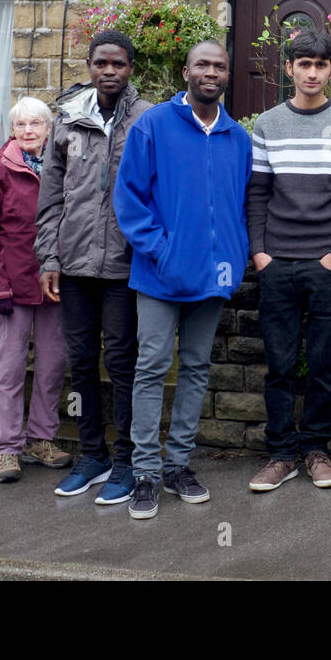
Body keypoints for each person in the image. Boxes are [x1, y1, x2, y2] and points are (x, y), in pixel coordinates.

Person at [113, 42, 251, 518]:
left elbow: (238, 204)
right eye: (203, 65)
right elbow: (128, 199)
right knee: (151, 367)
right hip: (158, 275)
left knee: (195, 368)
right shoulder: (153, 125)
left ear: (227, 74)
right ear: (187, 71)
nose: (211, 72)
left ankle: (178, 466)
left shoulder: (238, 136)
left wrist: (235, 255)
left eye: (219, 66)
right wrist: (163, 251)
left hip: (213, 276)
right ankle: (146, 472)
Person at [246, 29, 331, 493]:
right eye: (304, 64)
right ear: (289, 68)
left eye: (321, 64)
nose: (312, 72)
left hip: (326, 266)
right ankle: (280, 454)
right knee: (278, 363)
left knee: (320, 363)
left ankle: (317, 449)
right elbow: (257, 193)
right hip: (276, 262)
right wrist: (260, 253)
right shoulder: (268, 124)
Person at [35, 30, 151, 505]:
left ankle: (124, 459)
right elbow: (49, 198)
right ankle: (92, 454)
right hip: (76, 264)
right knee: (81, 363)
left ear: (129, 69)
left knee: (123, 363)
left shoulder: (147, 120)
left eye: (118, 64)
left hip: (125, 265)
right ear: (89, 65)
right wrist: (49, 257)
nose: (109, 71)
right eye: (101, 63)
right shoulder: (66, 120)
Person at [0, 97, 71, 484]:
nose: (29, 131)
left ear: (49, 129)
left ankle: (42, 439)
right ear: (12, 130)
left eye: (36, 124)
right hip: (11, 285)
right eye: (21, 125)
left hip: (55, 282)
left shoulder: (64, 166)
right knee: (10, 368)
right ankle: (8, 448)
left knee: (51, 365)